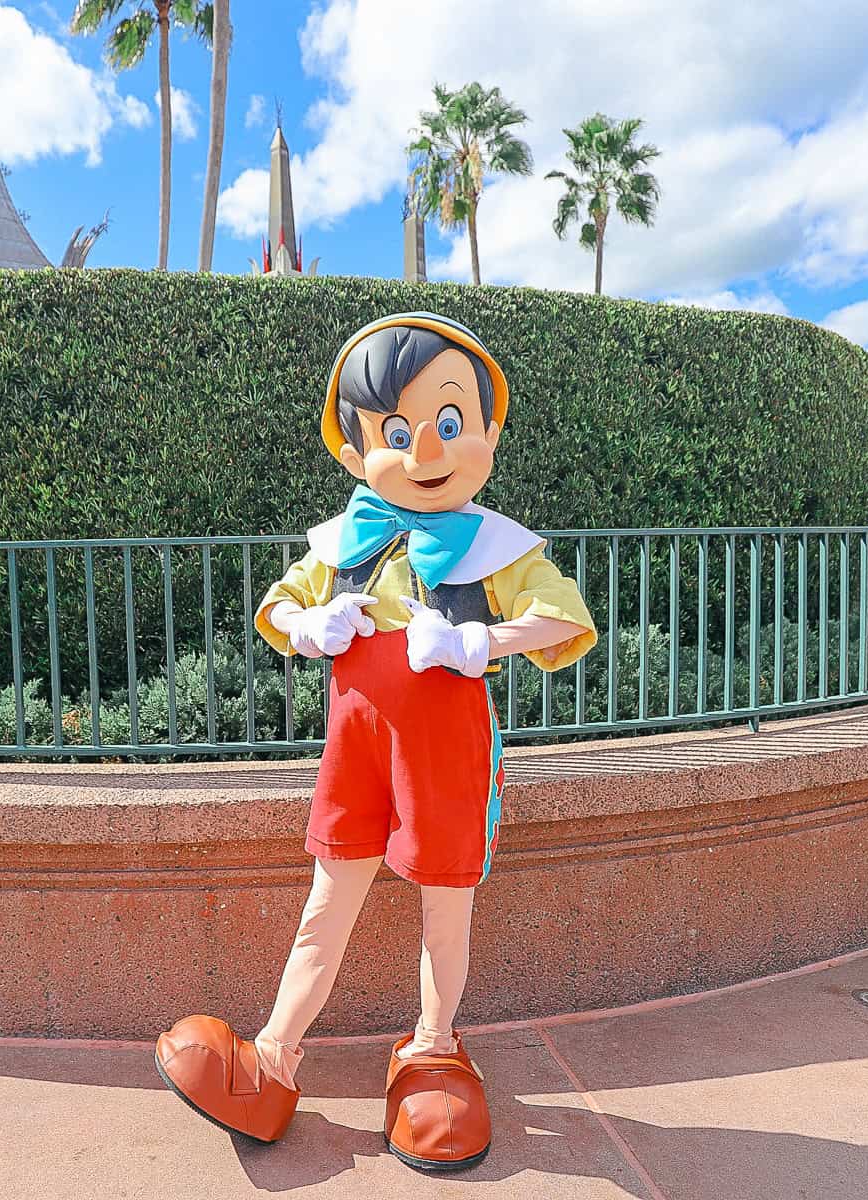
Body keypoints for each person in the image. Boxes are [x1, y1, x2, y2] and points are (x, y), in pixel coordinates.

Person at [153, 314, 597, 1171]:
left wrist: (480, 643)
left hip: (446, 757)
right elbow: (278, 609)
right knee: (329, 901)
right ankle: (273, 1060)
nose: (425, 448)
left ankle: (433, 1050)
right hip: (355, 757)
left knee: (445, 904)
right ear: (356, 450)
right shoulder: (343, 544)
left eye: (449, 422)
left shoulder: (497, 547)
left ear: (488, 435)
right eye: (396, 432)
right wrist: (311, 622)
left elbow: (565, 618)